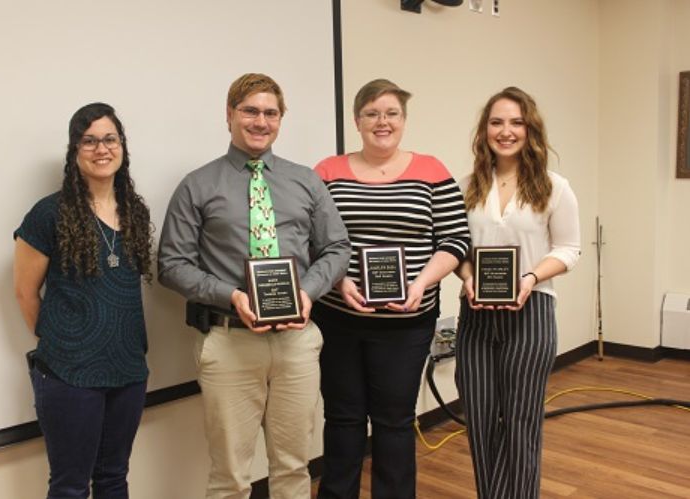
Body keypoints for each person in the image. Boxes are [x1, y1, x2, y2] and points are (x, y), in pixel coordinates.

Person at [157, 73, 350, 498]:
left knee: (294, 468)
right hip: (229, 343)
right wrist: (233, 296)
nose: (260, 121)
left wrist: (308, 291)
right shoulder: (198, 185)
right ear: (229, 115)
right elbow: (171, 264)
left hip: (297, 341)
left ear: (281, 119)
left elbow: (337, 248)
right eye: (250, 111)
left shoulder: (306, 181)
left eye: (270, 112)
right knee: (230, 477)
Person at [313, 79, 471, 499]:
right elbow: (310, 240)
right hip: (339, 317)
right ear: (357, 120)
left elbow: (455, 240)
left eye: (391, 113)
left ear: (403, 120)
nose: (382, 122)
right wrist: (339, 280)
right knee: (343, 418)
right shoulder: (327, 171)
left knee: (395, 420)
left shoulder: (432, 170)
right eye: (372, 113)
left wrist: (421, 283)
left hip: (407, 322)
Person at [13, 102, 153, 499]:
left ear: (122, 146)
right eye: (88, 141)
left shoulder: (135, 211)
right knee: (71, 486)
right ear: (74, 152)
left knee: (113, 478)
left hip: (127, 370)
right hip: (68, 373)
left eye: (109, 138)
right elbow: (24, 292)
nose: (101, 148)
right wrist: (64, 342)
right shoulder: (48, 213)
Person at [454, 87, 581, 499]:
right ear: (484, 130)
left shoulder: (553, 186)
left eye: (515, 122)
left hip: (532, 311)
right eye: (496, 122)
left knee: (522, 420)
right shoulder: (467, 186)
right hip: (475, 315)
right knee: (480, 418)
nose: (505, 131)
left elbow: (568, 249)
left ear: (530, 129)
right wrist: (467, 277)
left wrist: (529, 278)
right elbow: (457, 248)